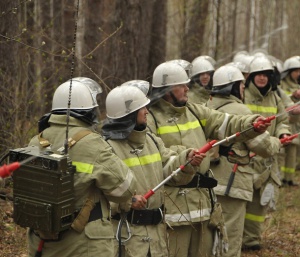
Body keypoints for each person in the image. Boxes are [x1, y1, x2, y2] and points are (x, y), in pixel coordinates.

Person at [146, 61, 271, 257]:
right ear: (166, 90)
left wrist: (252, 124)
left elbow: (226, 122)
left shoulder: (195, 111)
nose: (188, 89)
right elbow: (155, 160)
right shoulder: (150, 119)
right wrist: (184, 158)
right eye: (181, 85)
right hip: (172, 209)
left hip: (203, 205)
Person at [26, 77, 139, 257]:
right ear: (88, 111)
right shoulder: (91, 143)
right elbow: (124, 189)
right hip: (84, 245)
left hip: (41, 242)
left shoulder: (36, 140)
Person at [101, 81, 205, 257]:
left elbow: (170, 169)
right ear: (130, 113)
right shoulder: (107, 148)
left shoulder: (152, 141)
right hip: (128, 239)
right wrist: (128, 201)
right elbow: (100, 194)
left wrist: (186, 161)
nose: (147, 111)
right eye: (143, 108)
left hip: (157, 239)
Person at [206, 65, 282, 257]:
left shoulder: (207, 105)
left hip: (207, 182)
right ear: (231, 87)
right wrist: (277, 142)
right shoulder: (241, 110)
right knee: (229, 238)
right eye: (240, 84)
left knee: (209, 238)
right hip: (232, 183)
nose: (243, 88)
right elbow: (263, 146)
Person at [242, 56, 291, 251]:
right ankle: (236, 238)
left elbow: (283, 120)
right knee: (241, 200)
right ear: (251, 76)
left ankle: (251, 240)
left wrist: (283, 133)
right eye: (258, 74)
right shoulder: (242, 95)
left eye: (265, 75)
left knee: (258, 203)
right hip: (245, 158)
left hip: (267, 160)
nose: (262, 78)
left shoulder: (275, 97)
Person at [279, 56, 300, 186]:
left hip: (295, 124)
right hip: (284, 122)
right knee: (281, 153)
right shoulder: (281, 85)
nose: (298, 73)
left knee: (292, 152)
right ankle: (279, 178)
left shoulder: (297, 84)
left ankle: (289, 178)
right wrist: (293, 95)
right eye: (295, 70)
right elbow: (280, 99)